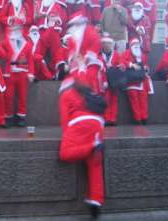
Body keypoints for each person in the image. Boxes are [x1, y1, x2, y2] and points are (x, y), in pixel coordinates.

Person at [58, 67, 105, 219]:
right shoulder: (88, 90)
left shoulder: (66, 94)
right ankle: (96, 202)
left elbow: (65, 119)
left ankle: (92, 147)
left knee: (65, 153)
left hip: (79, 124)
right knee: (95, 165)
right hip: (98, 124)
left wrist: (68, 138)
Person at [3, 24, 35, 127]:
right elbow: (0, 53)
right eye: (14, 28)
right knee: (8, 96)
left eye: (18, 28)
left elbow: (30, 60)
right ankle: (8, 116)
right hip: (10, 73)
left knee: (22, 96)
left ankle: (21, 116)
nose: (16, 30)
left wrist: (31, 73)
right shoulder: (6, 41)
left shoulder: (27, 44)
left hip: (22, 72)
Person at [120, 38, 153, 125]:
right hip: (131, 81)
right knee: (134, 101)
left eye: (138, 44)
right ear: (131, 46)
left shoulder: (142, 54)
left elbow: (145, 64)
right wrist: (131, 65)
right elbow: (121, 61)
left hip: (141, 81)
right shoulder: (126, 53)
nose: (136, 45)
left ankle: (144, 118)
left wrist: (146, 67)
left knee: (143, 101)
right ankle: (138, 119)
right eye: (134, 44)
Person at [99, 33, 121, 126]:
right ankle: (106, 118)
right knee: (106, 100)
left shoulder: (116, 54)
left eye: (109, 44)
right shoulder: (99, 55)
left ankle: (113, 118)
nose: (107, 46)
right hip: (104, 81)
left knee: (114, 100)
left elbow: (120, 63)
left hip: (114, 80)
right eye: (105, 44)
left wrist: (115, 66)